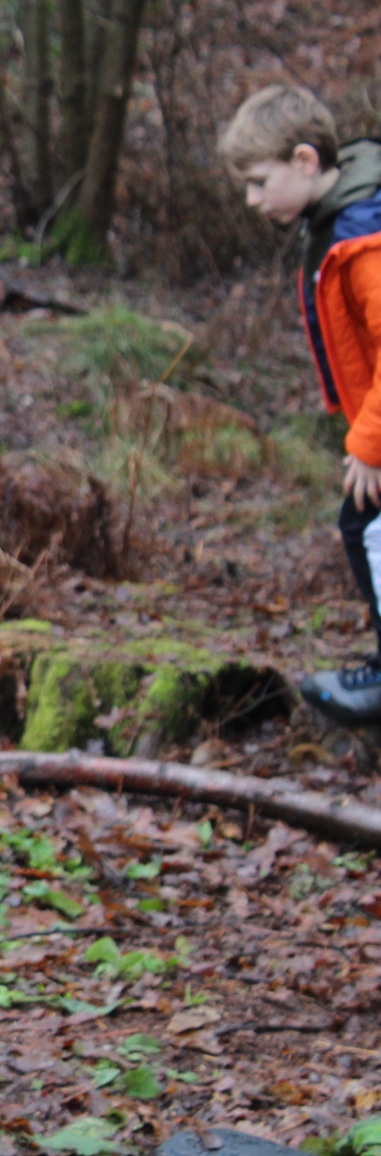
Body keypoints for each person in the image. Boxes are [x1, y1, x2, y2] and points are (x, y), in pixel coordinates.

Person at [218, 85, 381, 721]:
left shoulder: (364, 237)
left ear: (306, 161)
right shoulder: (343, 220)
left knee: (367, 525)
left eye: (260, 182)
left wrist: (369, 446)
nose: (252, 200)